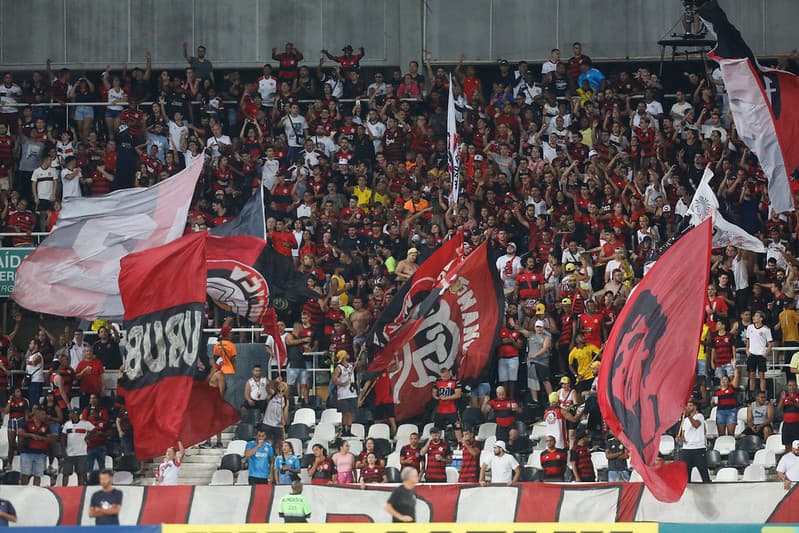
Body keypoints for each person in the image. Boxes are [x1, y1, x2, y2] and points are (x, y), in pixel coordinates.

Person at [676, 398, 710, 483]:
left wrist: (689, 416)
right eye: (687, 406)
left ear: (695, 407)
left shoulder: (699, 416)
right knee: (686, 474)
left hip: (698, 448)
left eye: (690, 405)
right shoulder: (685, 420)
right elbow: (684, 435)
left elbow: (696, 425)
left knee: (703, 471)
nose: (688, 407)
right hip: (686, 449)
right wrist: (680, 438)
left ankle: (708, 487)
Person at [61, 407, 94, 485]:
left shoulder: (85, 423)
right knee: (65, 473)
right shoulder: (67, 424)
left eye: (71, 413)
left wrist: (88, 437)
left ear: (76, 414)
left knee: (81, 473)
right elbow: (62, 437)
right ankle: (64, 489)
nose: (69, 414)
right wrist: (64, 451)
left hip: (81, 452)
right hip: (69, 453)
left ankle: (80, 489)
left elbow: (95, 431)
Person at [745, 310, 773, 398]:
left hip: (761, 355)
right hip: (752, 354)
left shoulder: (766, 329)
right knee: (751, 376)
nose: (754, 317)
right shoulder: (750, 327)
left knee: (762, 376)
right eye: (754, 316)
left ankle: (762, 395)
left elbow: (770, 343)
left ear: (761, 318)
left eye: (756, 316)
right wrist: (747, 349)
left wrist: (766, 353)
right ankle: (751, 396)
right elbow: (748, 340)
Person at [332, 351, 358, 436]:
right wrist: (342, 384)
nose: (348, 355)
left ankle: (349, 430)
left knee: (351, 412)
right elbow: (334, 380)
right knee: (345, 412)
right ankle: (344, 429)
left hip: (352, 393)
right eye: (346, 354)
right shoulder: (339, 368)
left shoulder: (351, 366)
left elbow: (359, 363)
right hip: (343, 394)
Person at [712, 368, 740, 436]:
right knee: (721, 435)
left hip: (731, 412)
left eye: (725, 379)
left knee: (731, 434)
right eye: (722, 379)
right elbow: (714, 404)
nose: (723, 381)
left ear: (729, 382)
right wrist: (712, 402)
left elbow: (736, 378)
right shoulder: (716, 392)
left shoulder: (731, 389)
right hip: (720, 412)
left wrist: (735, 369)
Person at [779, 380, 799, 453]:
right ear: (787, 387)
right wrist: (782, 399)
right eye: (790, 385)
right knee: (787, 446)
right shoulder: (785, 397)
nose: (792, 387)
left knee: (797, 446)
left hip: (797, 425)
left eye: (793, 385)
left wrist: (794, 402)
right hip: (787, 425)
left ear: (796, 386)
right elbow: (779, 409)